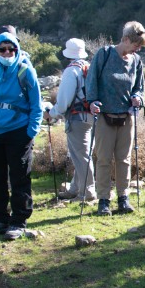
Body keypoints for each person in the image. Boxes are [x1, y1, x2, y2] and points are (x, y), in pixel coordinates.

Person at [0, 31, 43, 240]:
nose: (6, 52)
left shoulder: (25, 71)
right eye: (2, 49)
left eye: (10, 48)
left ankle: (19, 221)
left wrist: (31, 130)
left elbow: (36, 104)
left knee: (19, 177)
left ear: (17, 49)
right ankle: (0, 219)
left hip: (18, 131)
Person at [87, 21, 145, 216]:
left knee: (124, 159)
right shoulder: (104, 55)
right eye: (135, 45)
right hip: (105, 116)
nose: (136, 49)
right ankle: (103, 200)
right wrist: (92, 102)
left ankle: (124, 198)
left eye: (139, 47)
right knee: (104, 159)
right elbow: (92, 81)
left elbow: (139, 86)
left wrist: (138, 97)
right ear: (125, 39)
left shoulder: (137, 61)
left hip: (127, 116)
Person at [45, 38, 95, 202]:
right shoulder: (90, 67)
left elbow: (64, 101)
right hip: (93, 117)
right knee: (83, 154)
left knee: (81, 156)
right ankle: (74, 188)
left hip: (76, 118)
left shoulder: (71, 70)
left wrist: (51, 113)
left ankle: (87, 193)